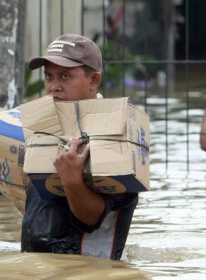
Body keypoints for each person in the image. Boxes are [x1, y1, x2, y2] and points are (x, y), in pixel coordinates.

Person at [21, 33, 138, 260]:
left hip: (86, 269)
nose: (53, 87)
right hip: (40, 268)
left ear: (94, 80)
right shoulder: (45, 132)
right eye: (49, 76)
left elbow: (91, 219)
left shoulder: (115, 138)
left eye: (65, 76)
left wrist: (73, 180)